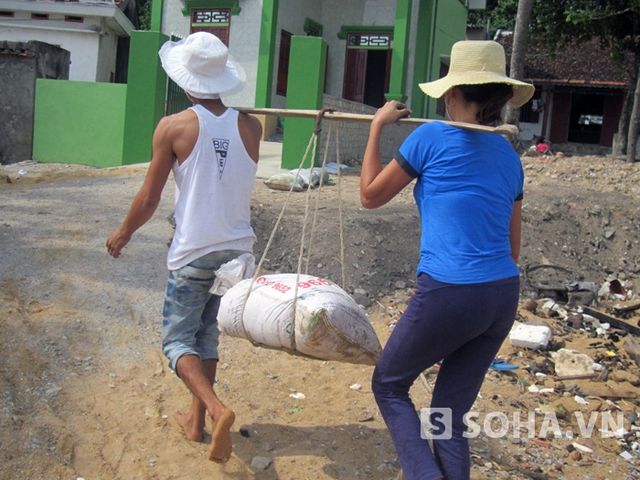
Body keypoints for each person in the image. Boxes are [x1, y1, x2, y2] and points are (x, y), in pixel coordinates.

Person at [360, 40, 534, 480]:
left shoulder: (431, 136)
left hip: (450, 290)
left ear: (453, 93)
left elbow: (370, 196)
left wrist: (377, 127)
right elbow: (512, 250)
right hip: (501, 295)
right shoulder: (510, 158)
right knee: (449, 414)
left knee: (389, 384)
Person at [106, 31, 262, 463]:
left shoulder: (173, 126)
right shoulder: (252, 125)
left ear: (185, 79)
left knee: (177, 342)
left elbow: (149, 197)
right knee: (206, 336)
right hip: (238, 252)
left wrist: (123, 233)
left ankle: (215, 410)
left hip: (195, 251)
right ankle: (195, 424)